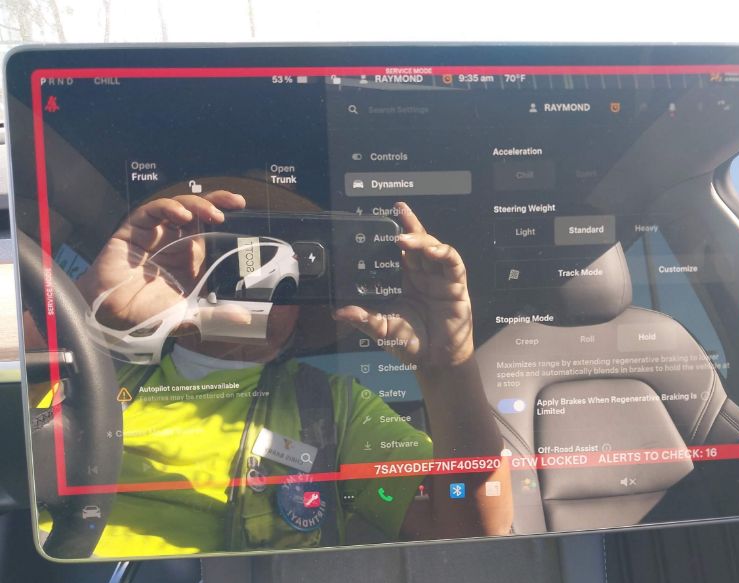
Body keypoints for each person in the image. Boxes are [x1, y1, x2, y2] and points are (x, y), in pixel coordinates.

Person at [62, 190, 512, 557]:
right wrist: (87, 305)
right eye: (237, 256)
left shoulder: (333, 406)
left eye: (289, 278)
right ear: (193, 269)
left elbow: (471, 531)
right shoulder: (88, 367)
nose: (257, 281)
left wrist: (447, 366)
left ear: (302, 312)